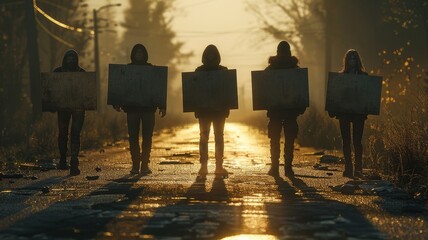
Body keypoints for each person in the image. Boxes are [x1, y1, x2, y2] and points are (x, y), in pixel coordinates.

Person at [114, 44, 166, 175]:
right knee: (133, 137)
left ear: (145, 54)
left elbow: (157, 88)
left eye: (141, 52)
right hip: (132, 109)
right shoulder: (127, 70)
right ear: (133, 54)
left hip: (148, 109)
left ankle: (144, 164)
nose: (139, 55)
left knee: (147, 137)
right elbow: (121, 87)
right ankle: (135, 164)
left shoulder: (151, 70)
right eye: (137, 52)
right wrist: (116, 102)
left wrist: (162, 105)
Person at [265, 41, 306, 178]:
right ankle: (285, 168)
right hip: (286, 112)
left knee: (278, 140)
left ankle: (278, 168)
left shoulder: (271, 69)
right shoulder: (294, 69)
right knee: (287, 140)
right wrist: (300, 108)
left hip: (281, 112)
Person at [329, 49, 368, 178]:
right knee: (346, 141)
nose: (352, 61)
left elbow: (366, 95)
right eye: (350, 58)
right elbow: (336, 95)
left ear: (357, 60)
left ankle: (358, 169)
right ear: (346, 61)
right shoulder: (341, 77)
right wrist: (332, 108)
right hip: (344, 113)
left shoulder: (363, 77)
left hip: (358, 113)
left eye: (354, 58)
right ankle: (348, 168)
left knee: (357, 141)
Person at [195, 44, 230, 179]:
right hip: (210, 111)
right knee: (210, 138)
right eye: (209, 55)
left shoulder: (200, 71)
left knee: (213, 138)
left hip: (216, 111)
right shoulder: (221, 71)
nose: (210, 57)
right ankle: (208, 166)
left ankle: (216, 166)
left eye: (212, 55)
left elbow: (227, 91)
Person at [54, 49, 86, 176]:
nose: (71, 60)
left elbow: (87, 91)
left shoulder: (82, 73)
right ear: (65, 59)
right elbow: (52, 89)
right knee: (63, 133)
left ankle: (73, 160)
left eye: (73, 58)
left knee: (75, 133)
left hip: (78, 107)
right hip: (63, 107)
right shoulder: (58, 72)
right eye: (69, 58)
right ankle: (63, 158)